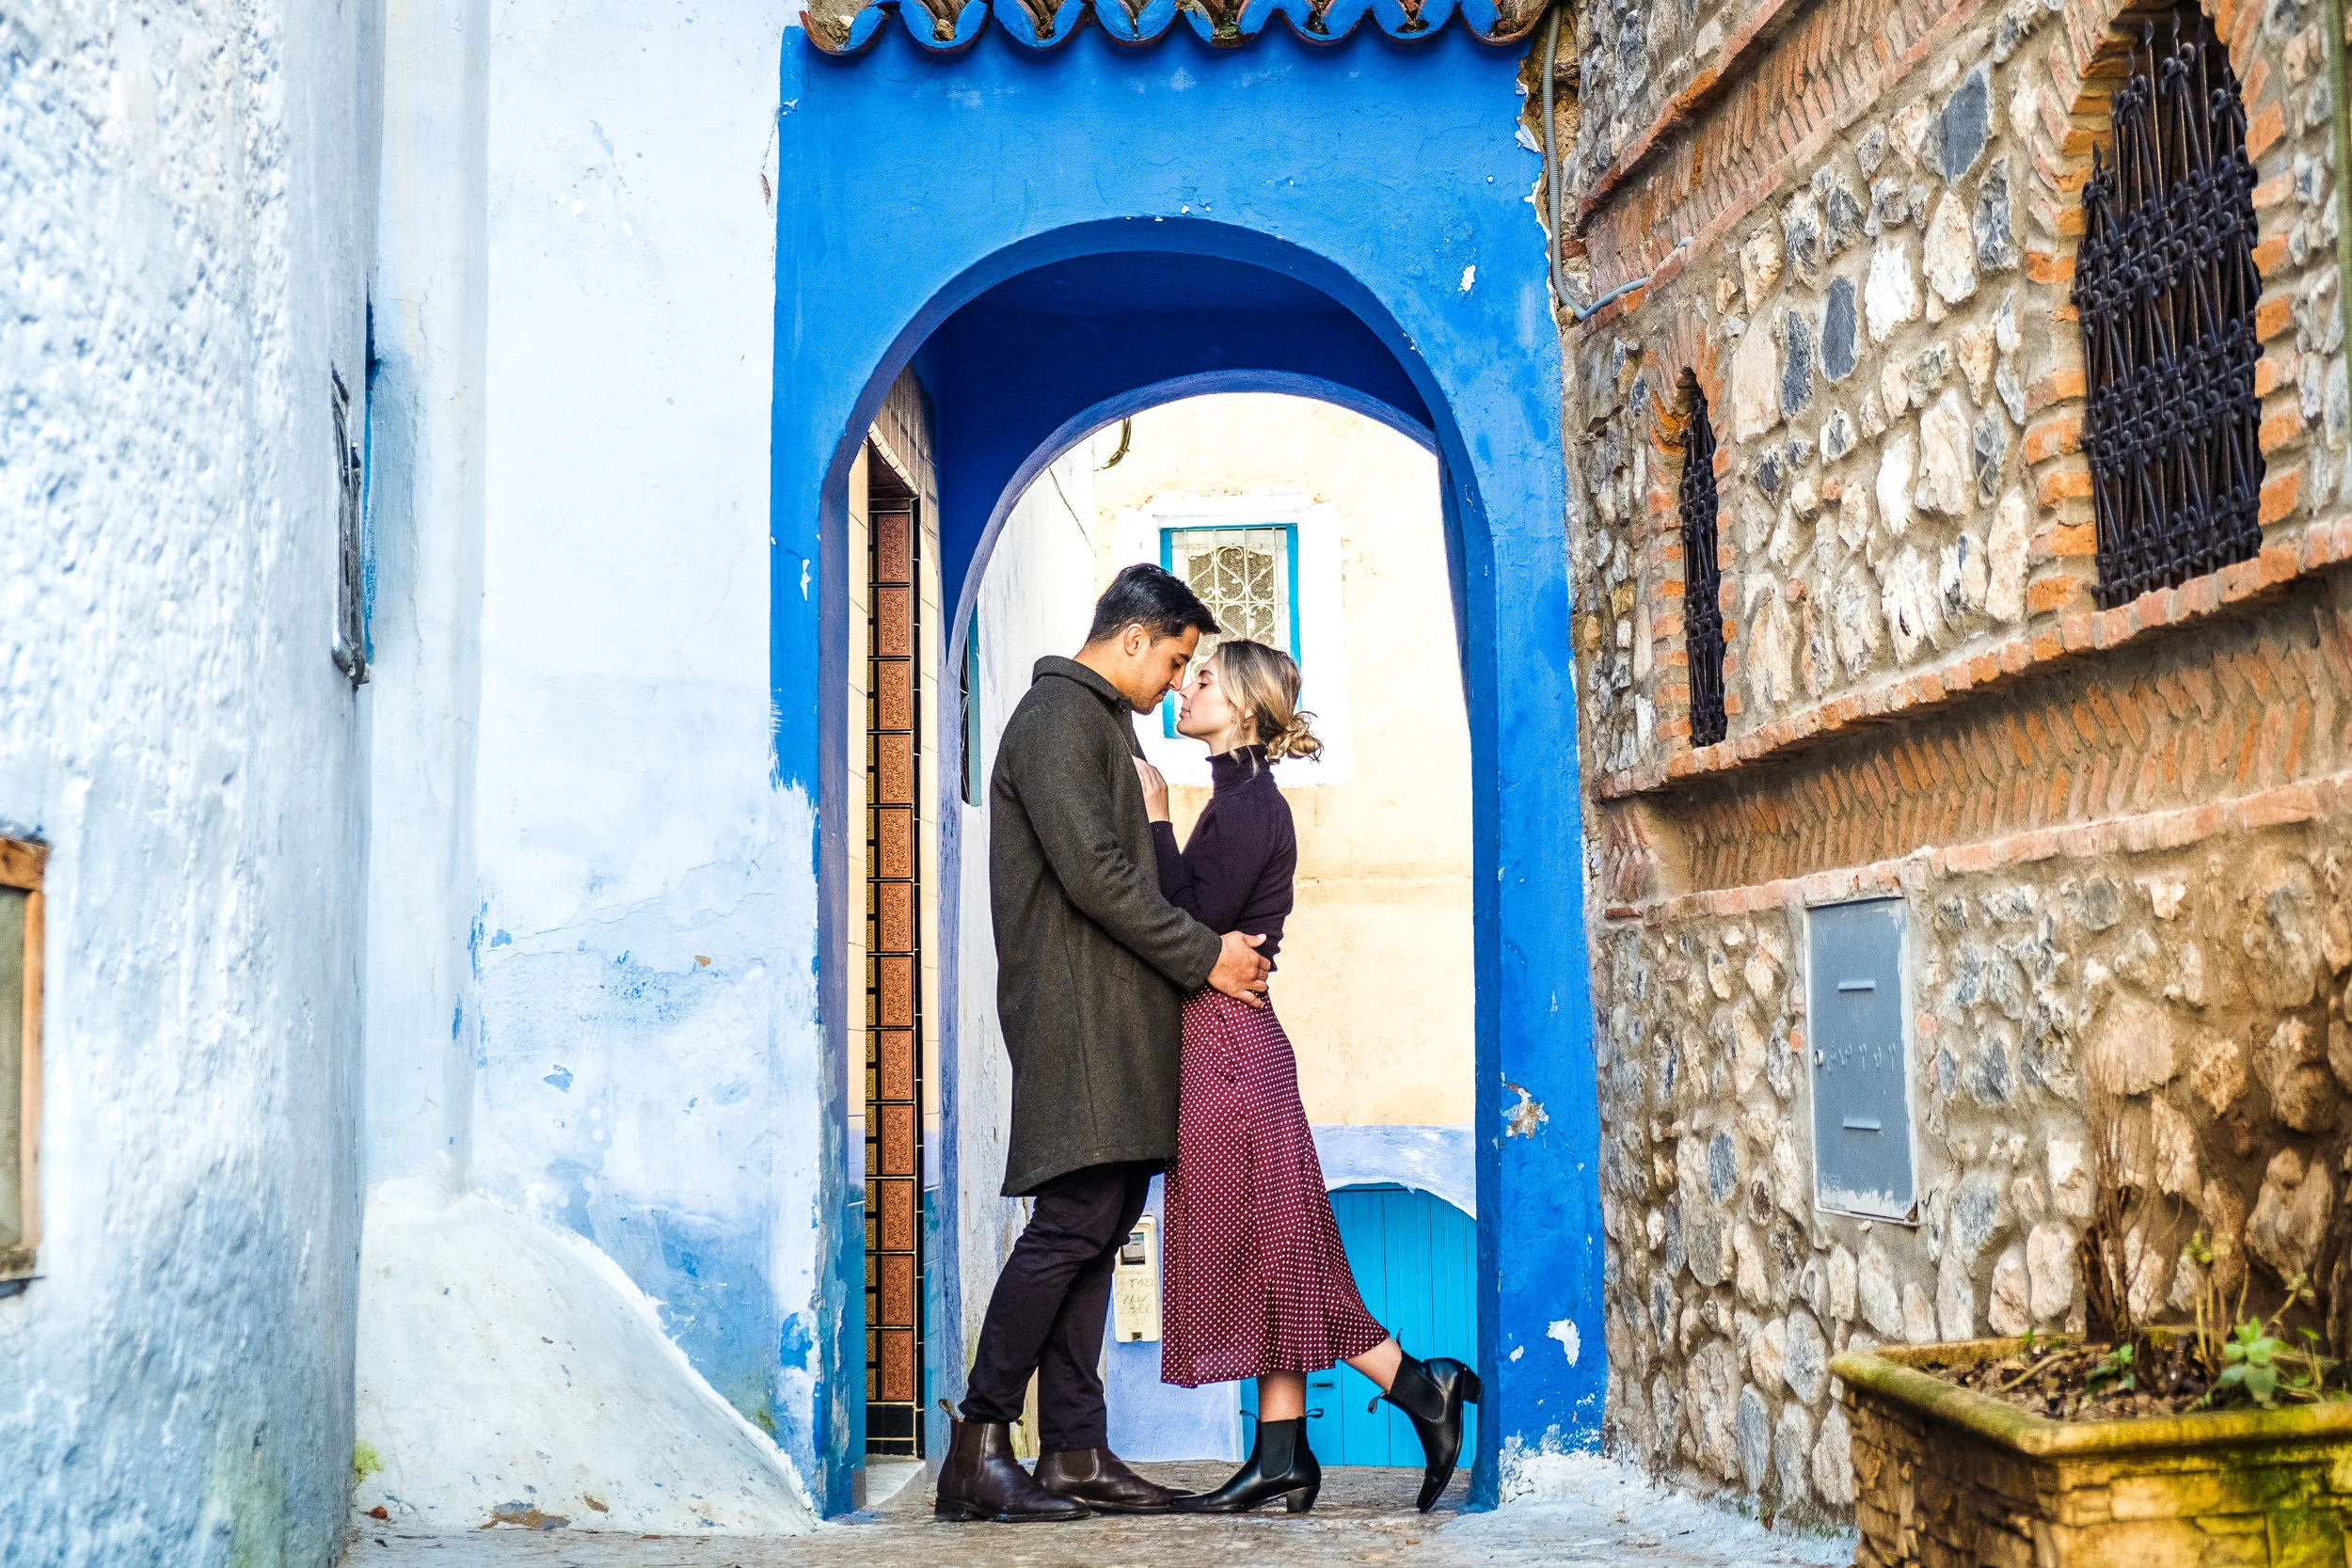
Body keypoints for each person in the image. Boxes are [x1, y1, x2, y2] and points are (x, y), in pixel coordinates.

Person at [935, 564, 1278, 1525]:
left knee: (1097, 1223)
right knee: (1069, 1224)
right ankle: (979, 1445)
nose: (1176, 682)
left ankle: (1076, 1451)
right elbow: (1092, 874)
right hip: (1075, 1014)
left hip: (1117, 1013)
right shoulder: (1054, 720)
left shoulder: (1099, 726)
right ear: (1133, 637)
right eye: (1173, 660)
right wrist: (1206, 954)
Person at [1138, 639, 1481, 1516]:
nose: (1188, 685)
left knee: (1277, 1248)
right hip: (1227, 1043)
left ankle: (1415, 1383)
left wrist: (1152, 821)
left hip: (1228, 1048)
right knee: (1267, 1247)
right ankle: (1284, 1450)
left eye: (1204, 677)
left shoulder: (1247, 807)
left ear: (1244, 705)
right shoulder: (1240, 799)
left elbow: (1190, 920)